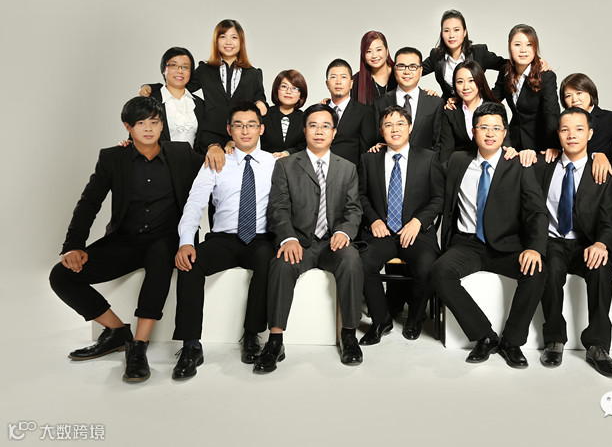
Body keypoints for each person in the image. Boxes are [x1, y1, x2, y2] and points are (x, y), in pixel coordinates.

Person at [50, 97, 203, 383]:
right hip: (125, 241)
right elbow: (89, 203)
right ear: (128, 127)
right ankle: (117, 331)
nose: (149, 128)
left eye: (154, 122)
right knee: (61, 276)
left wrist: (219, 146)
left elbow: (215, 169)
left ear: (162, 125)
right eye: (140, 123)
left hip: (165, 239)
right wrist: (74, 245)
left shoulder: (181, 153)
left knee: (160, 254)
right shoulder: (113, 158)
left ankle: (139, 347)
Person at [431, 102, 548, 368]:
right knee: (439, 272)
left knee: (537, 271)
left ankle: (512, 341)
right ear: (473, 131)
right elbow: (425, 164)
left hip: (507, 246)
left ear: (505, 133)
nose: (490, 133)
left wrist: (534, 248)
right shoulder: (458, 161)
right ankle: (484, 336)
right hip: (467, 245)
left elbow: (537, 211)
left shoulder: (518, 164)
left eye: (496, 128)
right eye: (484, 127)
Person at [171, 102, 277, 380]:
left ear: (261, 129)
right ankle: (191, 346)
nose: (245, 130)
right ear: (229, 130)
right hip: (223, 239)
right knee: (191, 263)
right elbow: (194, 203)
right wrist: (186, 242)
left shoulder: (274, 164)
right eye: (239, 125)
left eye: (251, 124)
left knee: (267, 260)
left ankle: (252, 334)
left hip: (260, 238)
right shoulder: (216, 162)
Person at [262, 104, 364, 372]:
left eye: (326, 126)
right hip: (299, 242)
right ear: (304, 130)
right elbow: (278, 208)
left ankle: (349, 335)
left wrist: (343, 232)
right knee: (281, 263)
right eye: (313, 126)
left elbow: (353, 209)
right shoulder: (285, 165)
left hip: (332, 242)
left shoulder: (347, 168)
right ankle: (275, 340)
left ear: (334, 132)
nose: (320, 131)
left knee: (351, 259)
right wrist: (288, 238)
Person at [533, 107, 612, 377]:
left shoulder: (602, 171)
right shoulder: (542, 165)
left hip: (587, 243)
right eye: (565, 130)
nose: (572, 135)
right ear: (558, 134)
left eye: (579, 129)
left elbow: (609, 220)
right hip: (553, 241)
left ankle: (597, 346)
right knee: (550, 270)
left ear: (590, 134)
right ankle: (554, 340)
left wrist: (602, 244)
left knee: (601, 271)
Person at [358, 105, 445, 344]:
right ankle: (381, 320)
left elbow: (439, 198)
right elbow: (361, 196)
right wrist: (374, 219)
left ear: (410, 127)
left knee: (427, 265)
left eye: (400, 124)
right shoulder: (369, 159)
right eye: (388, 125)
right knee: (362, 262)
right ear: (381, 131)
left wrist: (418, 221)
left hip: (417, 232)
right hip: (382, 232)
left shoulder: (428, 158)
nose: (394, 129)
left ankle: (415, 318)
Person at [140, 19, 268, 151]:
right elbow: (180, 84)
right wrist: (153, 87)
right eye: (223, 37)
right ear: (216, 41)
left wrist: (260, 102)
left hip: (240, 134)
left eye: (234, 37)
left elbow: (259, 96)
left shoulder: (253, 74)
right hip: (210, 136)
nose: (228, 42)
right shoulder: (205, 70)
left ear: (241, 41)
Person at [493, 24, 560, 155]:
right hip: (512, 145)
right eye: (517, 45)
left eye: (529, 45)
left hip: (540, 146)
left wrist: (553, 146)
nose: (523, 50)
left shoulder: (546, 76)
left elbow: (551, 113)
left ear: (535, 48)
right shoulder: (505, 71)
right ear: (509, 46)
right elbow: (492, 98)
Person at [559, 73, 612, 182]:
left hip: (599, 182)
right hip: (566, 178)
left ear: (590, 93)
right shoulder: (562, 122)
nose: (574, 99)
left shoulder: (610, 119)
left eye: (579, 93)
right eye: (568, 96)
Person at [420, 9, 505, 100]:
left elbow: (508, 66)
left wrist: (492, 99)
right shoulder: (436, 56)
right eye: (446, 30)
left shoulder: (479, 52)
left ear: (464, 32)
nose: (451, 35)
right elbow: (413, 72)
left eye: (456, 30)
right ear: (442, 33)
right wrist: (422, 94)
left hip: (477, 107)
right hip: (450, 107)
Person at [374, 47, 443, 152]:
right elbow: (376, 140)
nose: (407, 71)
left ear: (420, 70)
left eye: (412, 67)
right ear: (395, 69)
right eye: (401, 66)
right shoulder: (380, 102)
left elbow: (439, 144)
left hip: (424, 161)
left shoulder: (435, 103)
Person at [438, 60, 507, 164]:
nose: (466, 87)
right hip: (461, 167)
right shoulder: (450, 111)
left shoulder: (496, 108)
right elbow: (446, 153)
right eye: (460, 82)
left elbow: (505, 142)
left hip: (492, 166)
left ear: (480, 81)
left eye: (471, 80)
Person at [146, 47, 205, 150]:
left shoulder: (200, 104)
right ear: (164, 69)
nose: (180, 71)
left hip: (192, 160)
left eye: (185, 67)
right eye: (174, 65)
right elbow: (137, 135)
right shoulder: (149, 101)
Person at [324, 59, 377, 167]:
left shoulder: (364, 112)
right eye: (333, 77)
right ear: (327, 83)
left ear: (351, 83)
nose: (338, 82)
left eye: (343, 77)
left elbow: (365, 151)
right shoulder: (319, 112)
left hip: (349, 173)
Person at [260, 69, 308, 158]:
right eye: (284, 86)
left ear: (300, 95)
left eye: (294, 88)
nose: (288, 92)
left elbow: (306, 146)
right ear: (277, 90)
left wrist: (287, 153)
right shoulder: (264, 115)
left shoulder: (305, 118)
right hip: (266, 163)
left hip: (296, 164)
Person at [352, 30, 397, 105]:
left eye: (379, 50)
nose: (374, 56)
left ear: (387, 51)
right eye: (369, 51)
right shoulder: (356, 81)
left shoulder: (400, 73)